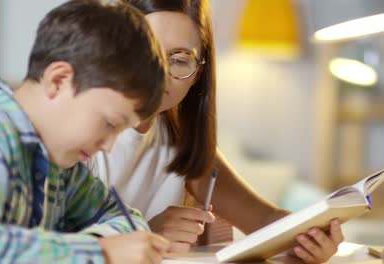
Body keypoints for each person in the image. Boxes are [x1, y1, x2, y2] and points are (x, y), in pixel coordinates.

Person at [88, 0, 344, 262]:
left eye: (179, 59)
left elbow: (264, 219)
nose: (159, 74)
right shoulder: (79, 138)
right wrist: (147, 233)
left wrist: (309, 237)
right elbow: (51, 249)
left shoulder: (182, 138)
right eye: (146, 53)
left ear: (198, 72)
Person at [0, 1, 170, 263]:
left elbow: (127, 221)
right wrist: (101, 252)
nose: (108, 146)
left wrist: (104, 243)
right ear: (58, 80)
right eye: (109, 123)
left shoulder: (62, 165)